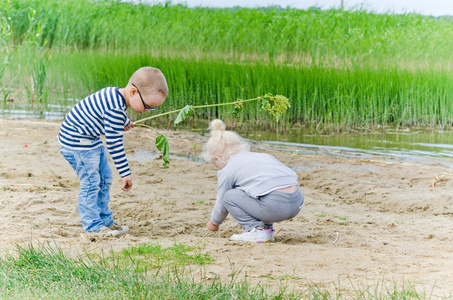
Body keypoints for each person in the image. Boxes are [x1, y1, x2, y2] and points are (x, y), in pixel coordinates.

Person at [58, 67, 168, 239]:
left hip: (89, 140)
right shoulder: (115, 107)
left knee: (105, 178)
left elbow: (107, 116)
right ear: (133, 91)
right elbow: (114, 143)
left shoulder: (116, 96)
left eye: (152, 108)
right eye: (148, 106)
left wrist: (124, 122)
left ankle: (104, 218)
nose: (148, 111)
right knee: (91, 182)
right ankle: (92, 227)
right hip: (77, 143)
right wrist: (126, 173)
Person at [202, 119, 304, 243]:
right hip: (297, 202)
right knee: (258, 190)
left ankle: (254, 231)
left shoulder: (227, 169)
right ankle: (267, 229)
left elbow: (222, 201)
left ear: (216, 158)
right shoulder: (262, 156)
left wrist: (214, 222)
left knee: (229, 196)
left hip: (275, 206)